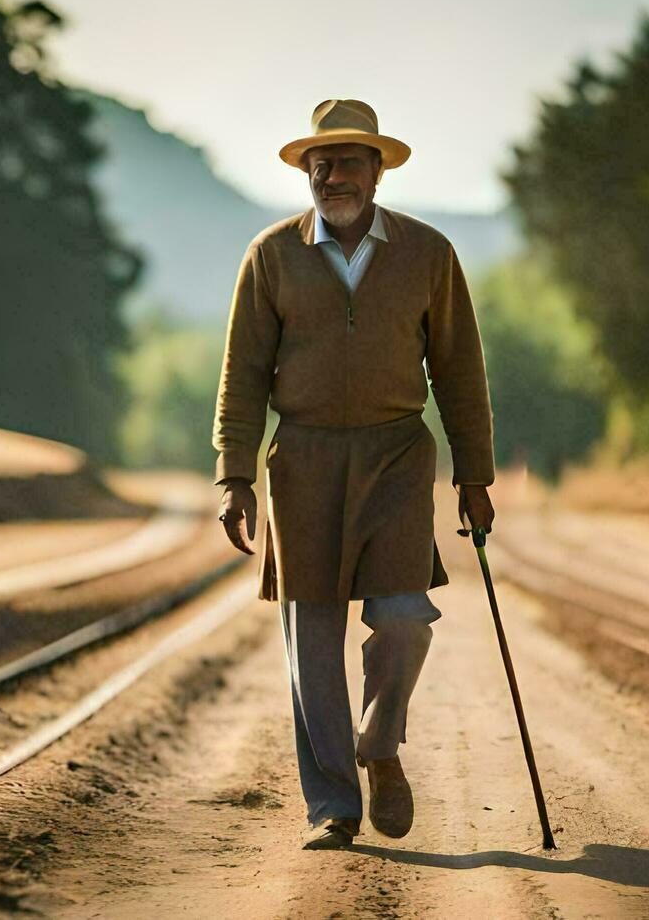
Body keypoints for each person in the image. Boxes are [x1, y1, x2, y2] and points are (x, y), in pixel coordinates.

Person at [212, 98, 496, 850]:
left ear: (378, 169)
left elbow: (459, 370)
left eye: (345, 162)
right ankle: (333, 806)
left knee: (403, 617)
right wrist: (234, 474)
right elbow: (243, 372)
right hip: (300, 460)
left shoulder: (428, 253)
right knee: (311, 645)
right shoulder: (271, 255)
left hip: (398, 454)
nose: (329, 176)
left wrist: (475, 474)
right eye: (318, 164)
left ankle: (379, 742)